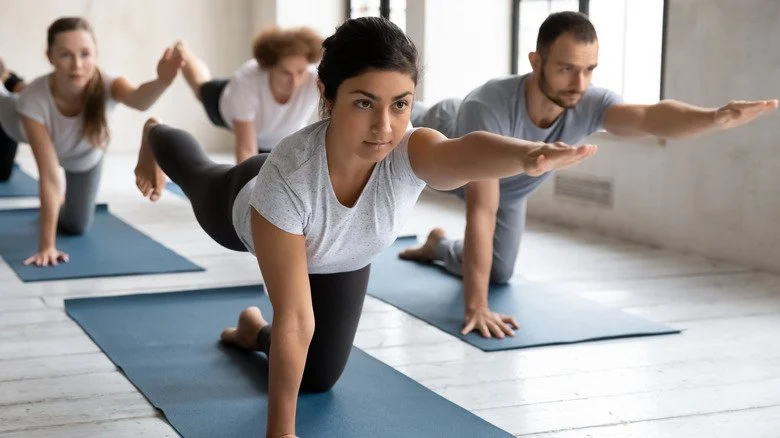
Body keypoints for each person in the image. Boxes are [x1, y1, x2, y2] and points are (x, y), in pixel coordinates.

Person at [133, 17, 597, 438]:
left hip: (343, 254)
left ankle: (252, 331)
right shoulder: (288, 180)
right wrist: (281, 433)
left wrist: (526, 155)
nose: (384, 126)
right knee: (197, 175)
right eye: (364, 102)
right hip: (249, 199)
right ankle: (154, 133)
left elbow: (463, 152)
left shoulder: (411, 149)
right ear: (327, 95)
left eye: (400, 104)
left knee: (318, 379)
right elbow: (296, 321)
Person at [401, 11, 779, 340]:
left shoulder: (589, 101)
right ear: (536, 61)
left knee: (499, 272)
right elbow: (480, 210)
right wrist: (476, 308)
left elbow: (649, 118)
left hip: (508, 192)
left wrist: (715, 117)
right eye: (567, 69)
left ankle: (438, 246)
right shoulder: (488, 104)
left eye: (589, 70)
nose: (579, 84)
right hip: (435, 144)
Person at [0, 16, 183, 267]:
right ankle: (5, 79)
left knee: (76, 226)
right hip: (17, 122)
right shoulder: (34, 99)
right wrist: (47, 245)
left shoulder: (108, 84)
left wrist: (162, 81)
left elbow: (139, 100)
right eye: (65, 55)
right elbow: (50, 175)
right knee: (6, 104)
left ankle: (13, 80)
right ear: (50, 57)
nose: (77, 65)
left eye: (85, 54)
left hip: (83, 158)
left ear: (96, 54)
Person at [174, 26, 323, 163]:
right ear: (270, 67)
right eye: (286, 72)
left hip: (277, 139)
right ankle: (183, 53)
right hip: (226, 105)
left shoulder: (315, 80)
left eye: (300, 72)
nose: (295, 81)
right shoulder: (246, 83)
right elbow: (246, 149)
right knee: (201, 88)